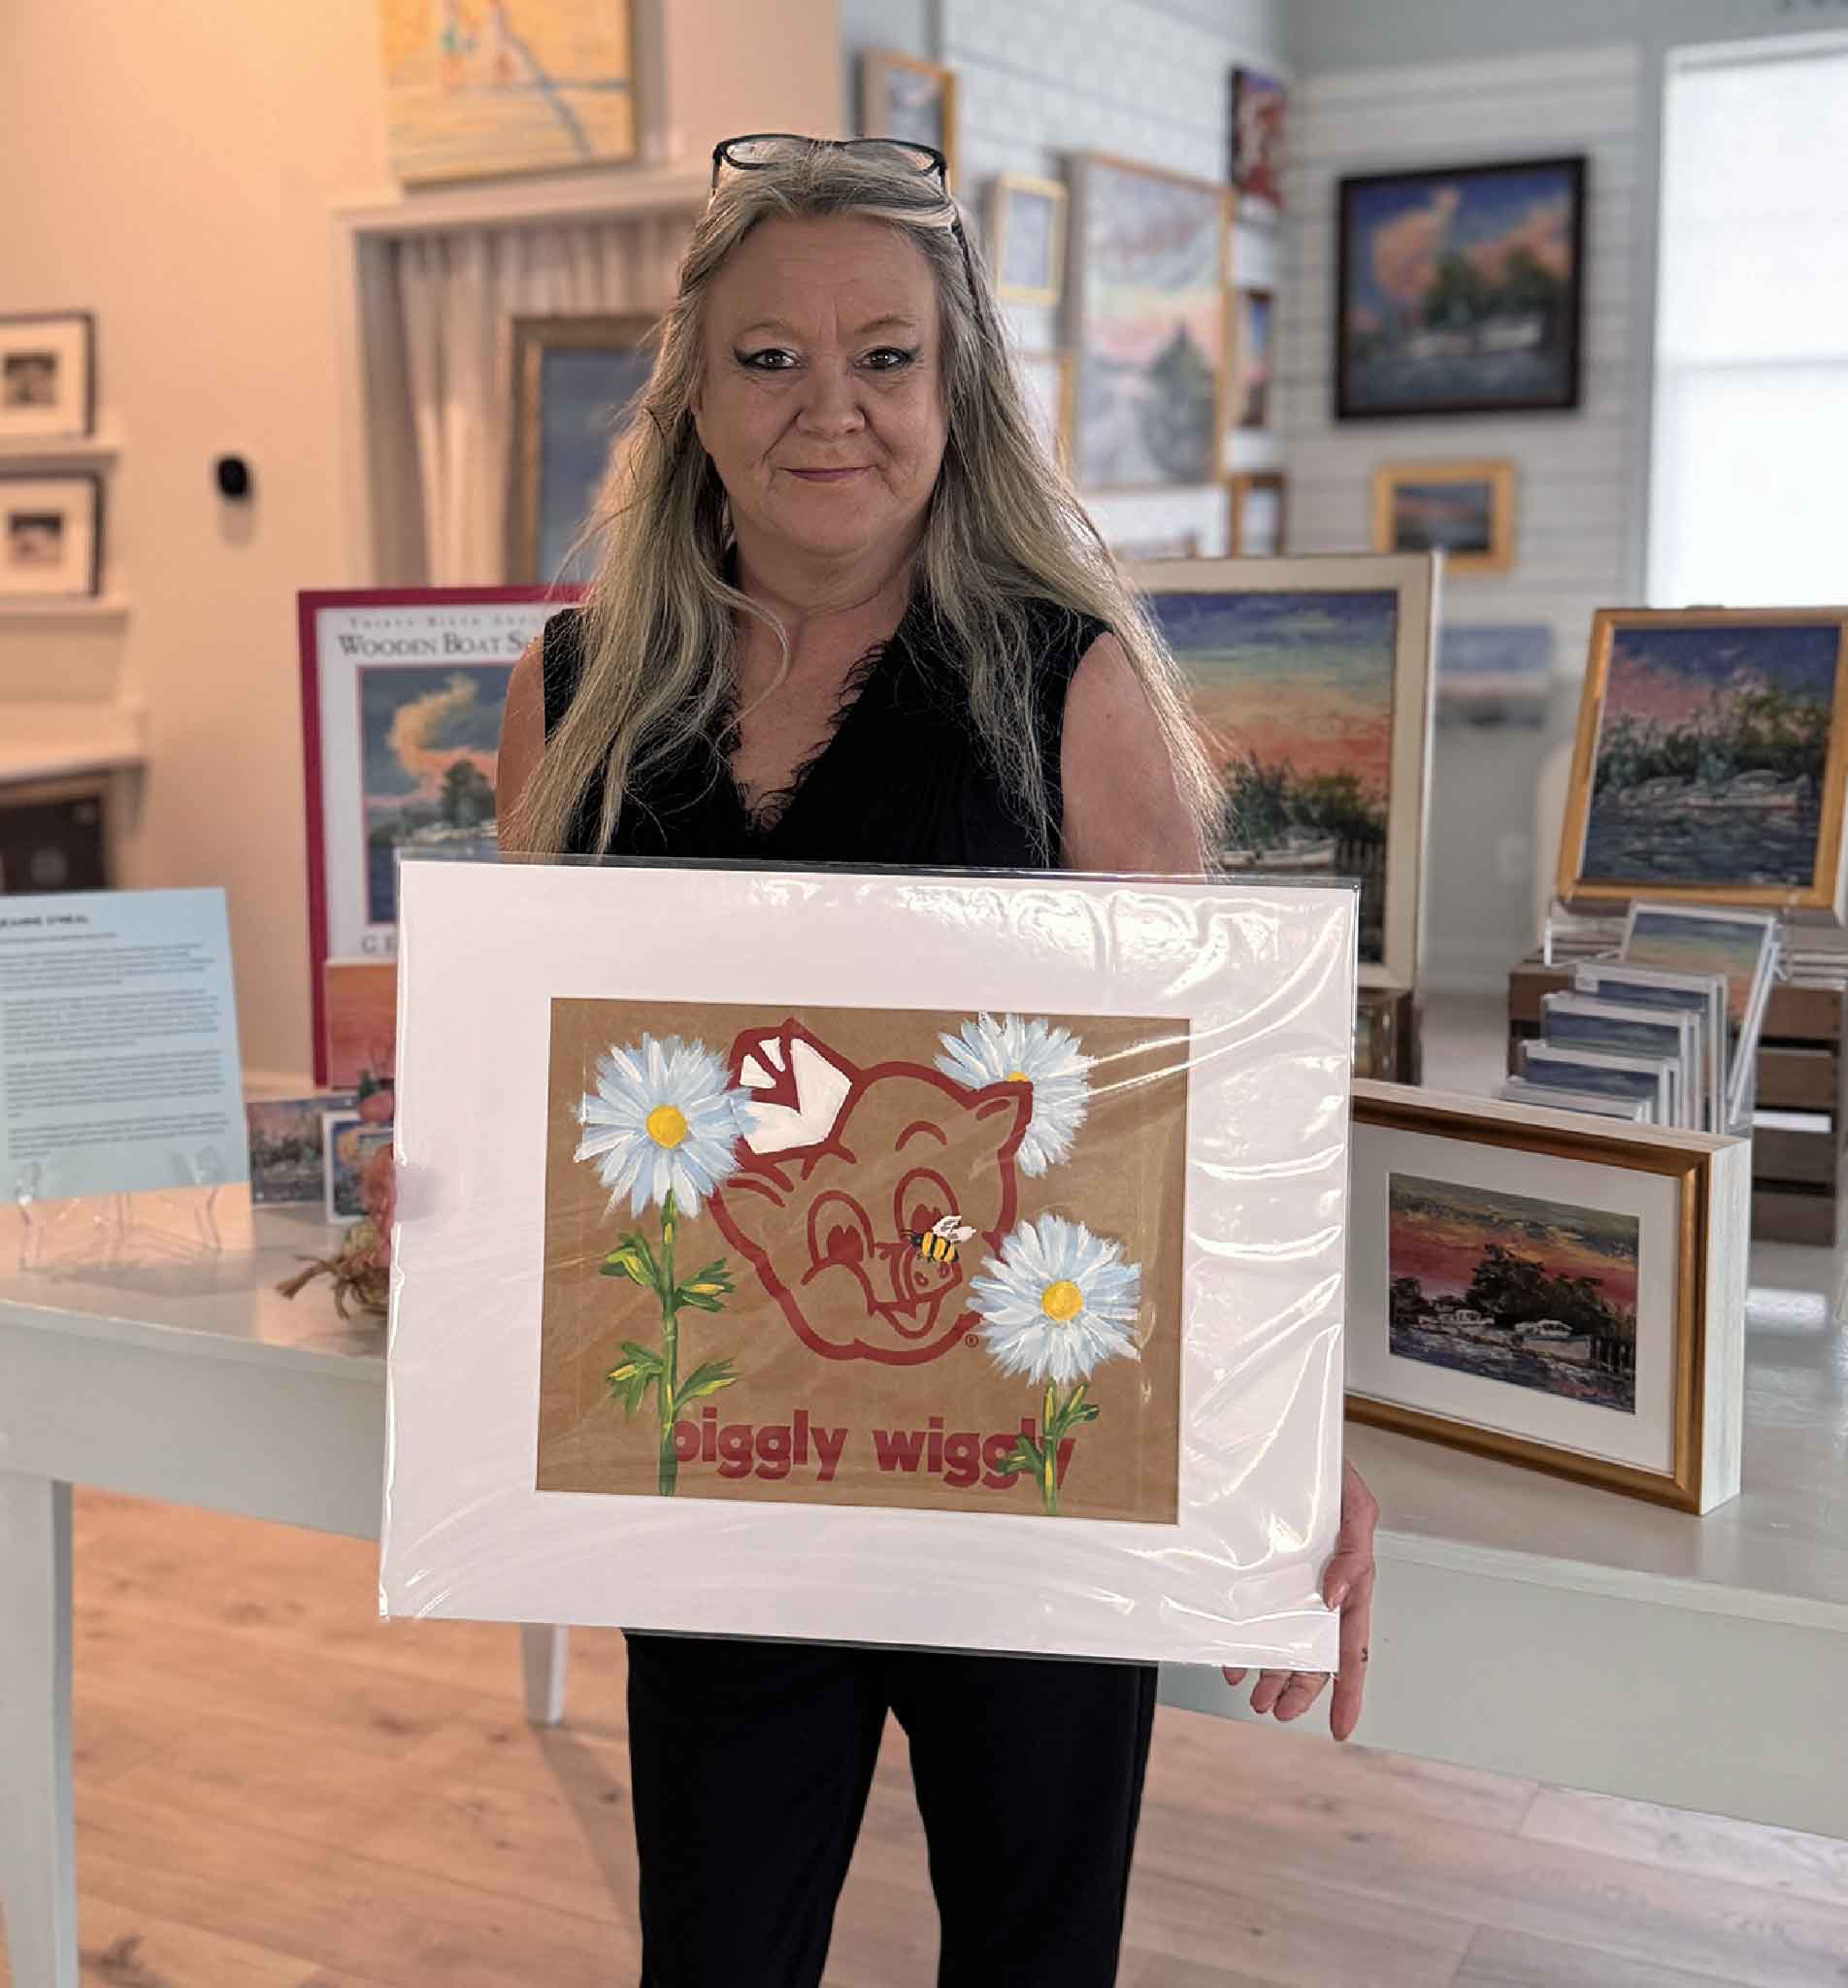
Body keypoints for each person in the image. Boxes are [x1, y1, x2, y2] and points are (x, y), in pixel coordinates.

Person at [495, 133, 1379, 1988]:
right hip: (722, 1463)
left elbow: (1200, 1114)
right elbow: (535, 1093)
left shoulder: (1074, 685)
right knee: (717, 1957)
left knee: (1032, 1958)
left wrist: (1293, 1429)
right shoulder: (577, 689)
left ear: (957, 386)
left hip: (1030, 1478)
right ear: (693, 392)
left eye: (885, 356)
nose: (833, 408)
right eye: (770, 358)